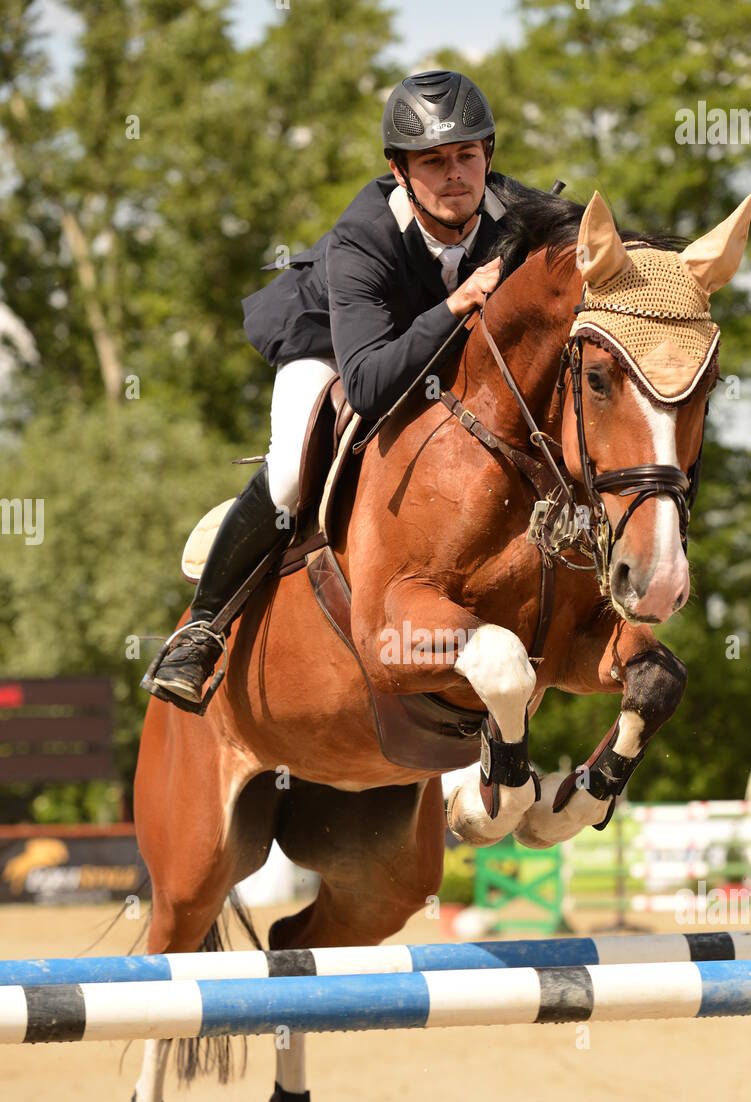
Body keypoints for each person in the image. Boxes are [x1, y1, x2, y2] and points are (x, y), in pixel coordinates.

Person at [145, 69, 507, 710]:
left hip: (425, 338)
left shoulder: (515, 213)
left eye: (466, 156)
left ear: (487, 156)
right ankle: (199, 632)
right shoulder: (361, 237)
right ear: (400, 171)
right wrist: (455, 305)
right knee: (289, 473)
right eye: (433, 161)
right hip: (331, 341)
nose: (455, 174)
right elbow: (366, 386)